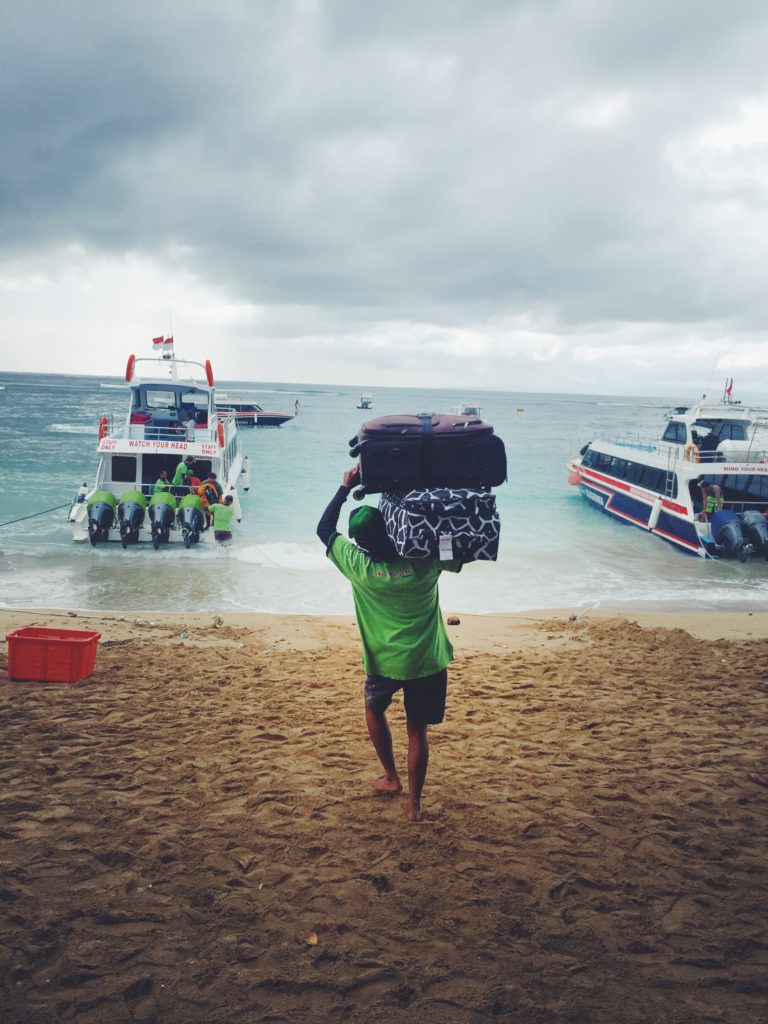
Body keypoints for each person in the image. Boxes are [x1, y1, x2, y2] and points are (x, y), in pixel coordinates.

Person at [317, 465, 462, 823]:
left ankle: (391, 777)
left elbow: (324, 531)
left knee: (373, 708)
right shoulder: (424, 561)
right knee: (417, 729)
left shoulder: (358, 566)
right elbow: (452, 545)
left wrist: (343, 488)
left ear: (360, 543)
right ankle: (414, 805)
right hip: (426, 660)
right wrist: (430, 504)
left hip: (383, 661)